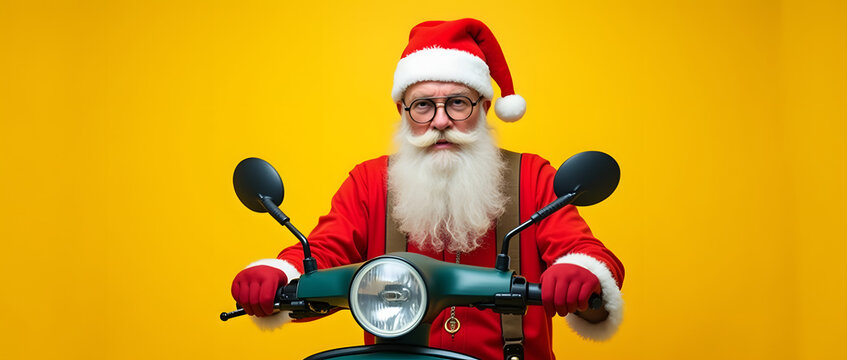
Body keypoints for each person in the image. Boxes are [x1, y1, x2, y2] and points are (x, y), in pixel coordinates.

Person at [230, 18, 624, 360]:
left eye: (457, 103)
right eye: (422, 106)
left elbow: (586, 254)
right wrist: (278, 273)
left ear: (484, 107)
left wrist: (579, 271)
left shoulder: (531, 175)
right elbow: (325, 254)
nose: (439, 121)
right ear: (403, 112)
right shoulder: (370, 181)